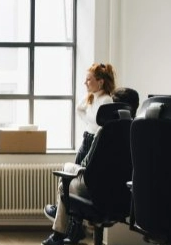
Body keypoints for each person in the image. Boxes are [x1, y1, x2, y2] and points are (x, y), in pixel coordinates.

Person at [42, 63, 116, 245]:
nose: (85, 82)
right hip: (87, 138)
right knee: (70, 181)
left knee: (71, 179)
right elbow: (79, 109)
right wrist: (90, 96)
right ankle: (70, 224)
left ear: (100, 81)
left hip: (95, 142)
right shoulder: (94, 98)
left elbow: (102, 126)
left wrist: (92, 125)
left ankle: (63, 218)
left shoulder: (106, 101)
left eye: (89, 79)